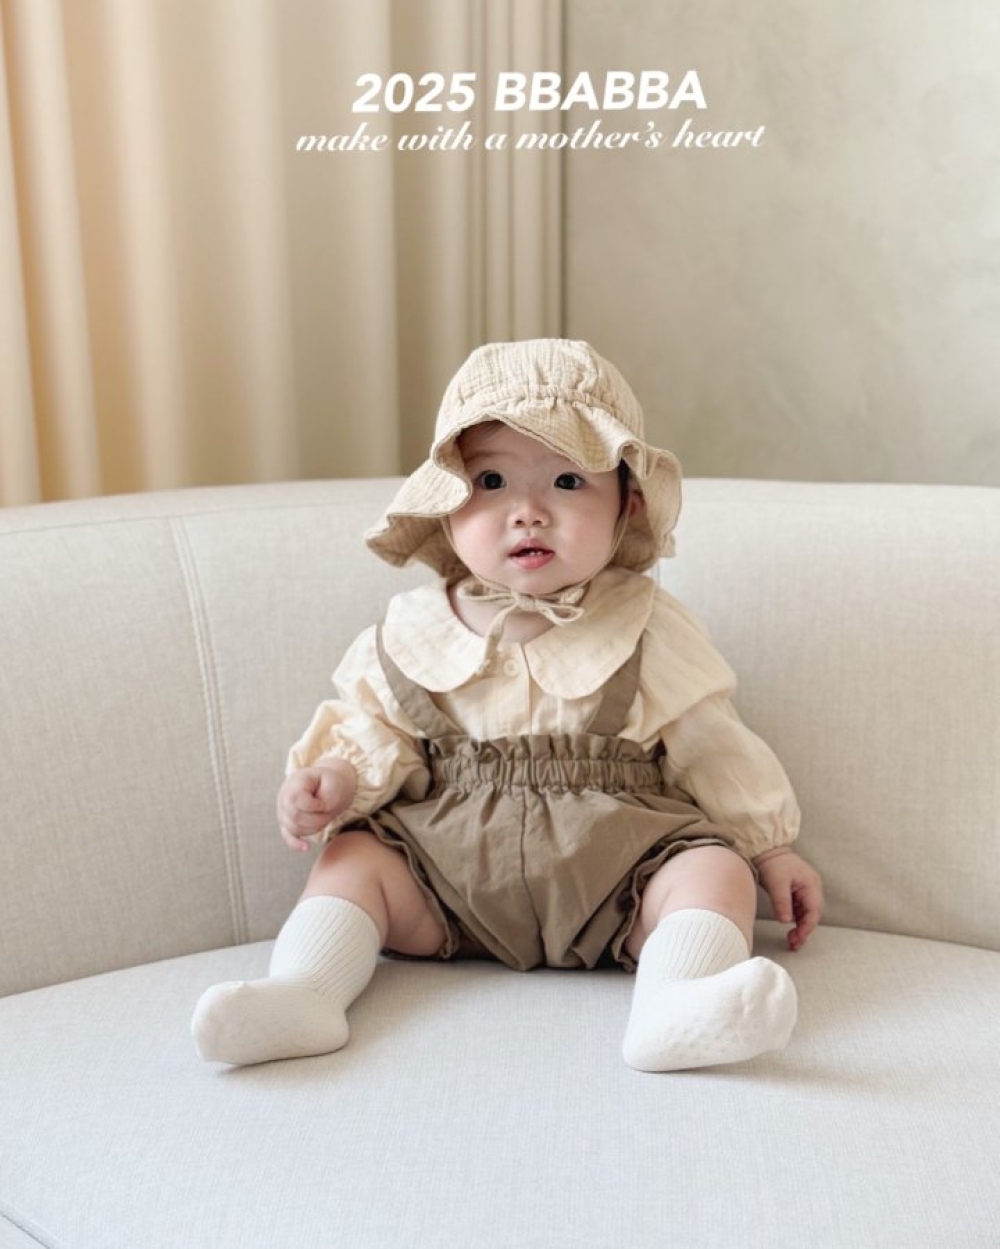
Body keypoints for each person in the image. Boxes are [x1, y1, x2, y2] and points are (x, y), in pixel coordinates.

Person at [192, 339, 823, 1072]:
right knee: (353, 857)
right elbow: (376, 733)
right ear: (445, 507)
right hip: (448, 882)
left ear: (627, 505)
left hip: (617, 874)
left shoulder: (646, 624)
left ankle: (674, 1003)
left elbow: (711, 742)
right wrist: (334, 779)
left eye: (567, 480)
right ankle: (305, 992)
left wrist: (769, 845)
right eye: (490, 480)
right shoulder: (411, 632)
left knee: (715, 871)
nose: (528, 513)